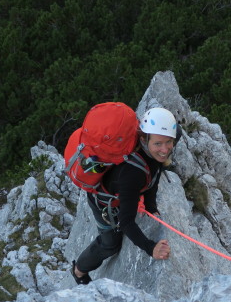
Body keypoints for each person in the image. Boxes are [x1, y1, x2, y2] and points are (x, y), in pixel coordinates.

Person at [71, 107, 178, 285]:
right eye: (158, 144)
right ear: (143, 139)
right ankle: (78, 271)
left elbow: (155, 174)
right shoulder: (133, 173)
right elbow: (126, 222)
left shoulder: (154, 150)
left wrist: (151, 207)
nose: (165, 149)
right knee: (110, 244)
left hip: (124, 191)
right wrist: (151, 248)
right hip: (104, 202)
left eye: (168, 142)